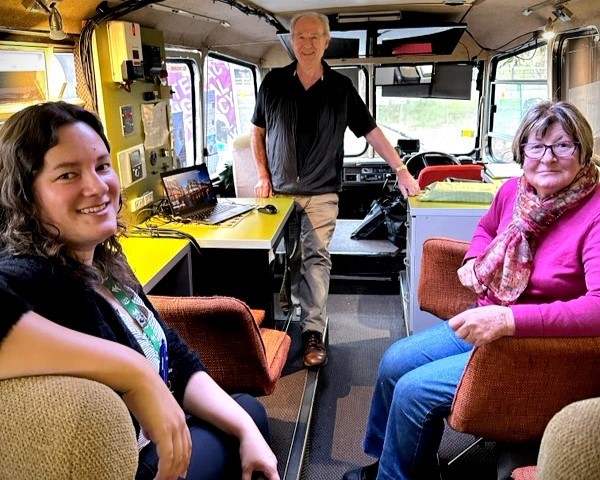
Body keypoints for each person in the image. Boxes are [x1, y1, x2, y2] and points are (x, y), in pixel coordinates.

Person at [0, 101, 280, 480]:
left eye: (101, 166)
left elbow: (177, 359)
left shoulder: (105, 261)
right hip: (139, 462)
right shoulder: (31, 275)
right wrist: (133, 370)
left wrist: (244, 428)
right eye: (67, 175)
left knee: (249, 414)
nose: (97, 187)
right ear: (25, 195)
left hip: (169, 427)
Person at [343, 100, 600, 480]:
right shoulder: (514, 191)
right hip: (488, 322)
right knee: (395, 360)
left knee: (414, 391)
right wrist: (472, 258)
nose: (547, 158)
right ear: (521, 152)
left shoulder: (594, 213)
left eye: (563, 145)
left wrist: (508, 319)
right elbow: (486, 229)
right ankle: (395, 461)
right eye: (536, 145)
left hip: (538, 346)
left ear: (583, 152)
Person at [250, 11, 420, 368]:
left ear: (326, 42)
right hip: (279, 194)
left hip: (322, 192)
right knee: (288, 260)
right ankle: (288, 318)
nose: (307, 44)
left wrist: (402, 170)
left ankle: (312, 330)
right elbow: (258, 132)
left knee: (316, 258)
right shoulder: (273, 83)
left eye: (315, 37)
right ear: (291, 41)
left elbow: (371, 132)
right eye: (301, 37)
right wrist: (263, 175)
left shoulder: (341, 87)